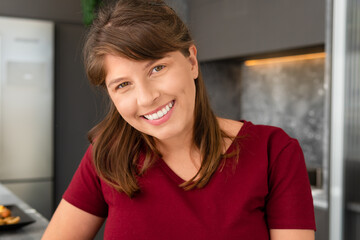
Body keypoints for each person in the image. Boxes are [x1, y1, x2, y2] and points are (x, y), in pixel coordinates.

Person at [42, 0, 316, 239]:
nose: (146, 98)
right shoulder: (106, 155)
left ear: (192, 62)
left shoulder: (274, 153)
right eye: (123, 85)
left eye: (157, 68)